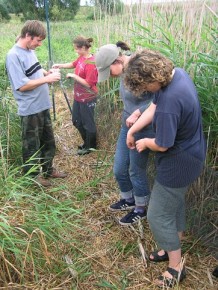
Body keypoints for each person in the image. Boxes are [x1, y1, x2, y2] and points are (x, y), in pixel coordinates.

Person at [124, 49, 206, 287]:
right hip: (191, 154)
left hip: (179, 162)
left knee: (158, 215)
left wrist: (145, 142)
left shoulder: (170, 100)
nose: (145, 91)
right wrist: (132, 129)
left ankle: (176, 266)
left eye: (144, 86)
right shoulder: (176, 74)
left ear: (153, 79)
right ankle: (172, 245)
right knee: (174, 204)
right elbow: (153, 107)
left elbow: (162, 143)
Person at [95, 42, 155, 225]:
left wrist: (140, 111)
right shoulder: (123, 72)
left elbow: (160, 99)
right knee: (120, 168)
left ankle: (141, 208)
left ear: (117, 61)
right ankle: (128, 199)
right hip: (126, 126)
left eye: (109, 70)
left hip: (144, 127)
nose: (110, 76)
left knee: (135, 170)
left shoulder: (140, 70)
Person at [6, 20, 67, 187]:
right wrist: (47, 79)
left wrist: (46, 73)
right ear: (27, 36)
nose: (39, 44)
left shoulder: (29, 50)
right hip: (30, 108)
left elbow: (33, 72)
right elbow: (22, 85)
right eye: (38, 40)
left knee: (48, 141)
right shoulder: (13, 56)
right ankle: (32, 178)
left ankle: (48, 170)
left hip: (42, 104)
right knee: (31, 145)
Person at [53, 36, 98, 155]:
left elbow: (89, 84)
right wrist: (60, 65)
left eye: (77, 49)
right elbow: (73, 64)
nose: (76, 51)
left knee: (88, 124)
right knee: (76, 121)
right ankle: (87, 142)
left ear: (83, 47)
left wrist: (74, 76)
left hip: (88, 97)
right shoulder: (82, 58)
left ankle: (90, 147)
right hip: (79, 96)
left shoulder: (91, 63)